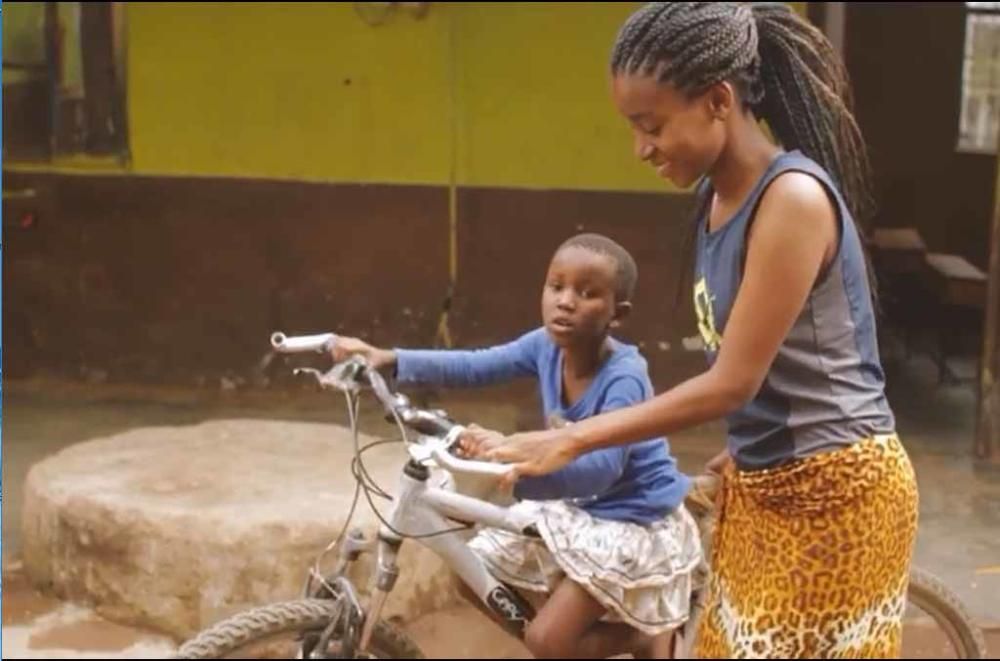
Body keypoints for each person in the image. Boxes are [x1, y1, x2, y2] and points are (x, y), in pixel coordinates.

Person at [471, 4, 919, 658]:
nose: (641, 147)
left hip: (836, 497)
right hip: (766, 486)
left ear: (718, 100)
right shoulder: (715, 201)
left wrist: (573, 438)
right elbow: (782, 359)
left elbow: (732, 381)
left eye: (651, 126)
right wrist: (754, 442)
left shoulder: (789, 199)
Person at [331, 233, 701, 658]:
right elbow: (477, 365)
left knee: (547, 641)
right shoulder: (545, 347)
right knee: (473, 577)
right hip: (577, 504)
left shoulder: (624, 377)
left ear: (618, 314)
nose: (565, 301)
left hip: (629, 517)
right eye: (556, 286)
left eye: (587, 293)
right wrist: (391, 359)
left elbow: (604, 469)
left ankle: (642, 635)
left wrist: (522, 472)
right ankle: (591, 634)